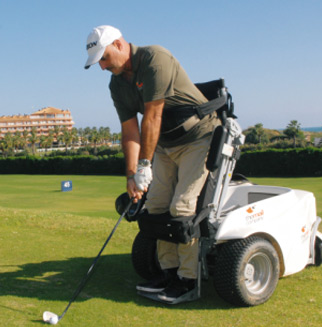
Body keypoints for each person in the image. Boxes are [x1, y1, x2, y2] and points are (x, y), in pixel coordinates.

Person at [84, 25, 220, 302]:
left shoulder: (155, 58)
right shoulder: (117, 84)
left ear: (120, 45)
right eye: (99, 61)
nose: (102, 66)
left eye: (105, 58)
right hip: (165, 145)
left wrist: (145, 164)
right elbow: (130, 132)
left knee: (181, 208)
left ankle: (187, 280)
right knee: (156, 207)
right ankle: (167, 274)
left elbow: (153, 115)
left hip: (199, 138)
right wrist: (132, 175)